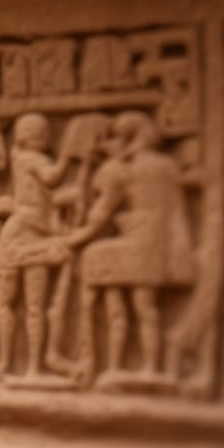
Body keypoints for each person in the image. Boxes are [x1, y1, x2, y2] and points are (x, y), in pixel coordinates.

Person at [67, 112, 195, 384]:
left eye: (116, 137)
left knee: (97, 266)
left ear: (126, 138)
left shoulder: (121, 169)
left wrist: (74, 238)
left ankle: (109, 364)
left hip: (138, 242)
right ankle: (148, 366)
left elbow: (100, 214)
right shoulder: (167, 166)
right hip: (160, 244)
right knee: (145, 306)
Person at [0, 114, 79, 380]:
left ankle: (12, 364)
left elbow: (48, 193)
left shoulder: (17, 155)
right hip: (29, 232)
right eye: (43, 134)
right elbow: (52, 178)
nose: (48, 139)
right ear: (32, 137)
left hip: (22, 232)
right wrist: (69, 153)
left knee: (11, 304)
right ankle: (23, 366)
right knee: (30, 306)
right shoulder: (34, 159)